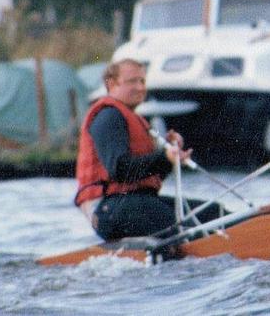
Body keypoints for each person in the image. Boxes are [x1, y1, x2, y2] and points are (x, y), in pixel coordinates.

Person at [74, 58, 221, 241]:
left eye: (142, 81)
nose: (141, 87)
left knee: (215, 212)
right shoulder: (108, 116)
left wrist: (169, 157)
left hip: (133, 202)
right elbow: (120, 170)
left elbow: (148, 178)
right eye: (132, 81)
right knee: (193, 232)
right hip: (109, 208)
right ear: (111, 84)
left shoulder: (132, 119)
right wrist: (163, 157)